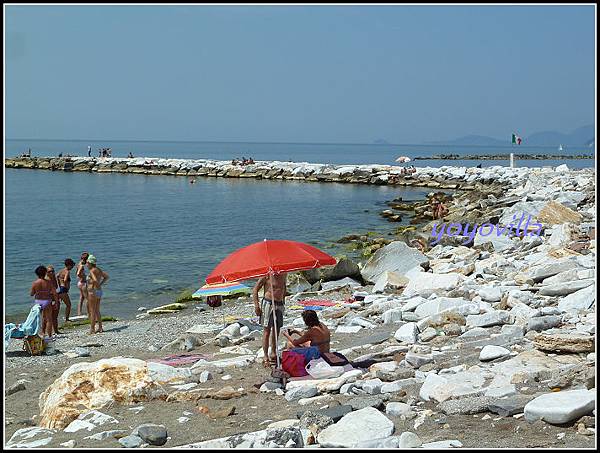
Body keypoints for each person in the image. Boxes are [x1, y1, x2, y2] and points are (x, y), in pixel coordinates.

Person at [253, 272, 287, 367]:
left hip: (279, 304)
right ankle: (265, 355)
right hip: (268, 303)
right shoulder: (266, 275)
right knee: (267, 330)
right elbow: (255, 289)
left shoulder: (284, 273)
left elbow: (283, 286)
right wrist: (257, 306)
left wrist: (283, 299)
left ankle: (273, 353)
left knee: (277, 329)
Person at [30, 265, 59, 338]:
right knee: (49, 319)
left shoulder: (35, 283)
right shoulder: (48, 282)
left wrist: (38, 291)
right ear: (45, 273)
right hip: (47, 301)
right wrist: (56, 302)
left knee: (39, 318)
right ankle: (49, 335)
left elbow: (31, 294)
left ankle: (41, 333)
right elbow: (54, 293)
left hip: (38, 301)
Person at [86, 254, 109, 334]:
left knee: (92, 311)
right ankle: (100, 328)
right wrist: (100, 284)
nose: (86, 264)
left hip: (93, 292)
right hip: (99, 291)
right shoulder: (98, 269)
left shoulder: (92, 271)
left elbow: (95, 280)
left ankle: (92, 329)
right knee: (97, 310)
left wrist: (93, 284)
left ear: (89, 263)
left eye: (87, 263)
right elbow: (106, 277)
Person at [45, 265, 62, 335]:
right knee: (47, 317)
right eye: (49, 271)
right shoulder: (46, 280)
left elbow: (57, 288)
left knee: (55, 316)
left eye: (53, 271)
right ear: (46, 272)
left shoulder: (54, 278)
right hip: (49, 300)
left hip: (55, 298)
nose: (51, 273)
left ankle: (56, 330)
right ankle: (46, 332)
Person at [57, 258, 75, 323]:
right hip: (63, 290)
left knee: (58, 305)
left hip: (61, 289)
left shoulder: (61, 271)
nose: (72, 267)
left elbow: (57, 276)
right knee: (68, 305)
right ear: (69, 265)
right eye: (72, 265)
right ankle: (67, 319)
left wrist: (60, 284)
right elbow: (65, 280)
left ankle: (56, 319)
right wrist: (64, 283)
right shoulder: (67, 271)